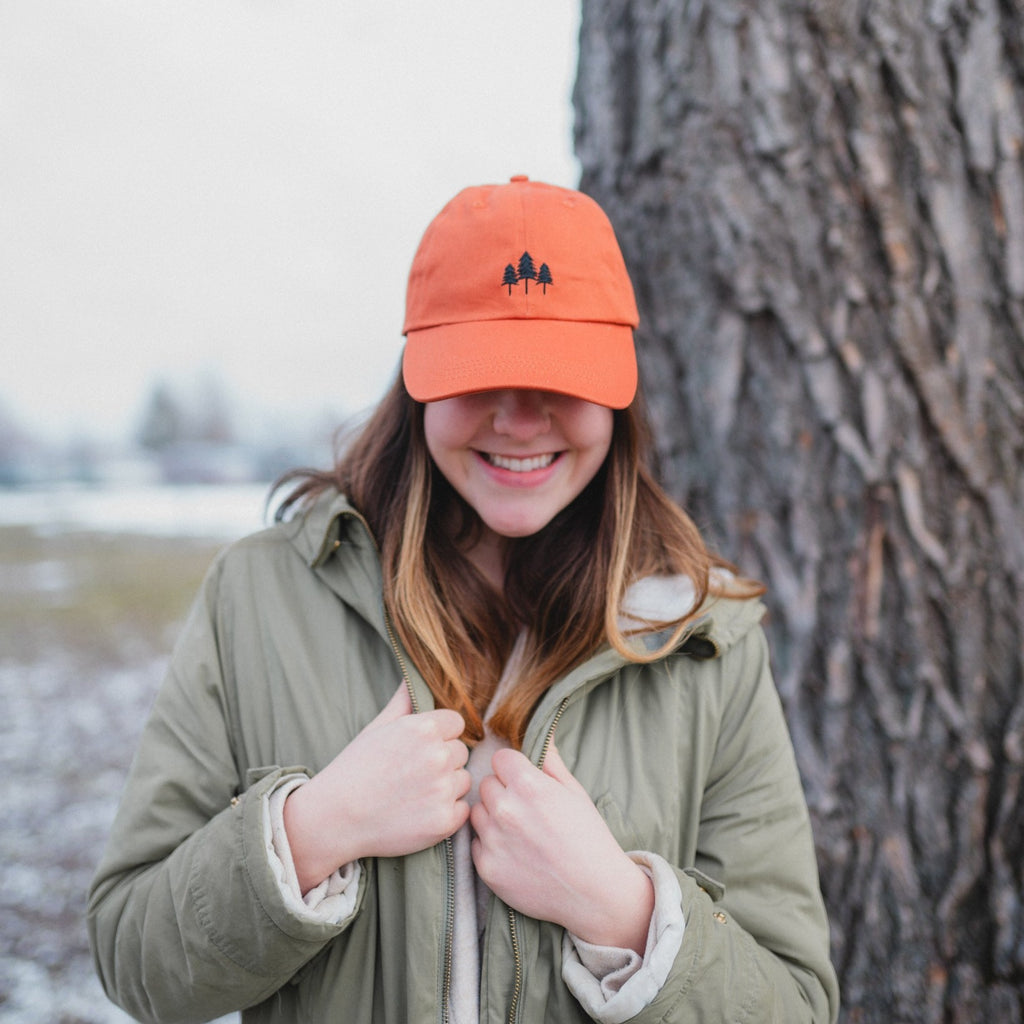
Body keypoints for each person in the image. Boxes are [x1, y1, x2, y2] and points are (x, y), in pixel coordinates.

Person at [88, 175, 840, 1023]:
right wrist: (315, 831)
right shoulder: (258, 597)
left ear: (617, 390)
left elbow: (796, 1005)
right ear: (419, 381)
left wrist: (622, 913)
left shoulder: (701, 638)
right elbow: (135, 959)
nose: (518, 419)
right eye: (482, 374)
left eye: (560, 376)